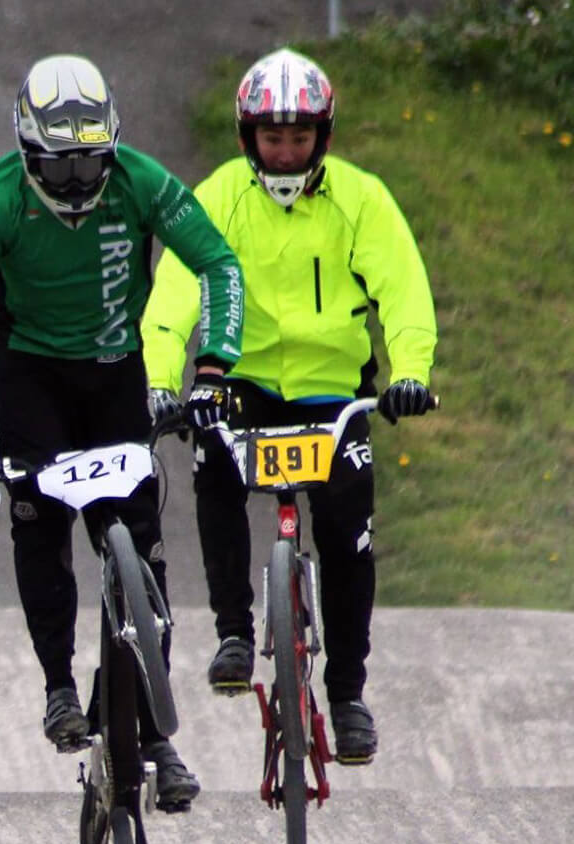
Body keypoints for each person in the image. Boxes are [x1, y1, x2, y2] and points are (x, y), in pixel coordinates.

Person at [0, 55, 247, 810]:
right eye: (61, 165)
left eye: (91, 162)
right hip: (30, 375)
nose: (79, 180)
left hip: (116, 372)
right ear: (26, 152)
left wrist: (212, 369)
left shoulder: (143, 180)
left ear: (113, 146)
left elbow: (220, 265)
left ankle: (149, 732)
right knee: (40, 531)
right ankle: (57, 687)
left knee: (144, 558)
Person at [142, 48, 438, 765]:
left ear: (323, 137)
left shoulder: (362, 198)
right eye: (271, 138)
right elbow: (173, 298)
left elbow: (403, 292)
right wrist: (160, 379)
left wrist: (411, 371)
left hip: (333, 393)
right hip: (243, 386)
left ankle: (346, 695)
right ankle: (235, 632)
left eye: (299, 138)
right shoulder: (214, 198)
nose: (284, 152)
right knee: (211, 468)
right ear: (247, 137)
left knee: (345, 531)